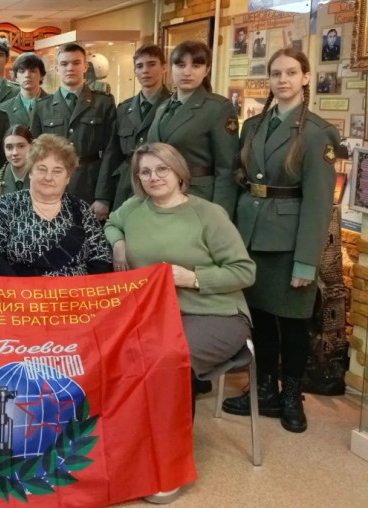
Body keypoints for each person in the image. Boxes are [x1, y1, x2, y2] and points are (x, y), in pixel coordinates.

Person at [105, 143, 255, 503]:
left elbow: (245, 271)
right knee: (111, 352)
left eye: (162, 169)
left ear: (178, 172)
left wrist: (193, 278)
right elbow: (112, 223)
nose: (154, 177)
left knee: (167, 360)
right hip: (155, 313)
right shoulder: (134, 209)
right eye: (145, 172)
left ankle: (168, 465)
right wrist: (119, 244)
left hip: (216, 313)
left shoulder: (208, 214)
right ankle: (128, 450)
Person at [222, 48, 339, 433]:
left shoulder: (317, 132)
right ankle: (264, 390)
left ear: (305, 78)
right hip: (250, 236)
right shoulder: (253, 126)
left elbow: (319, 204)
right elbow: (243, 180)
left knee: (292, 325)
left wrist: (306, 261)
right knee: (259, 319)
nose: (283, 80)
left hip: (290, 244)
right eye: (276, 73)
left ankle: (291, 396)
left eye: (291, 73)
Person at [0, 134, 112, 277]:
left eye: (57, 171)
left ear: (68, 177)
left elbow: (101, 258)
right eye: (42, 169)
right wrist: (17, 287)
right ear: (30, 172)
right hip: (19, 288)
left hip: (75, 290)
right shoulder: (7, 205)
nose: (48, 177)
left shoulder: (82, 209)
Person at [147, 40, 240, 219]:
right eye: (181, 65)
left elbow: (227, 168)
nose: (187, 72)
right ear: (170, 68)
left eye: (196, 66)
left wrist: (220, 214)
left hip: (197, 197)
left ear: (207, 70)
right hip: (161, 196)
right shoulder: (163, 107)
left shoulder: (217, 108)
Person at [30, 42, 116, 209]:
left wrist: (103, 197)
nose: (70, 68)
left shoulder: (103, 103)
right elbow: (35, 155)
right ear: (57, 69)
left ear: (85, 67)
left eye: (76, 63)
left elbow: (111, 151)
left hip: (90, 186)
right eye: (64, 64)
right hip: (52, 186)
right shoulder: (42, 106)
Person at [97, 44, 172, 212]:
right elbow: (112, 153)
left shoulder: (173, 106)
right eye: (140, 66)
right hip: (126, 184)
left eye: (151, 64)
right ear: (135, 71)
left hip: (160, 183)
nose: (145, 70)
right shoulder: (124, 108)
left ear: (164, 68)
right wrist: (103, 196)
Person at [0, 52, 48, 127]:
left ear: (41, 76)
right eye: (22, 71)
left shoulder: (55, 104)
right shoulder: (4, 108)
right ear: (16, 77)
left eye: (32, 71)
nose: (27, 75)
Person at [0, 125, 33, 201]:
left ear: (31, 147)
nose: (15, 153)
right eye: (9, 147)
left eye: (21, 146)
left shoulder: (43, 180)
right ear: (4, 150)